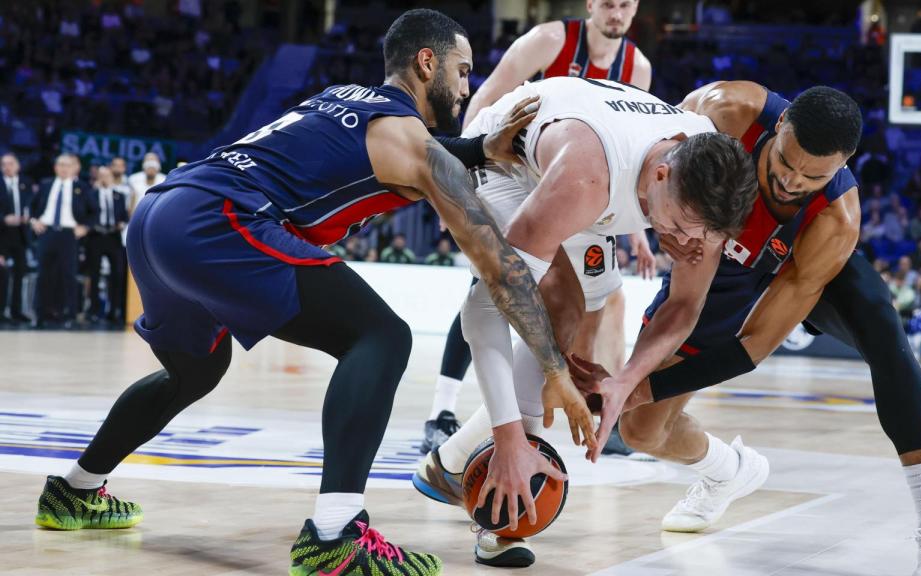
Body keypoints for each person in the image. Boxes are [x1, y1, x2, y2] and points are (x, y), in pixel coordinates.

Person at [32, 10, 595, 576]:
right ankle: (334, 534)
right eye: (463, 70)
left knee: (195, 371)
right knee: (380, 336)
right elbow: (500, 268)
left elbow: (411, 151)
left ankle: (75, 490)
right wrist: (554, 369)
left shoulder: (344, 98)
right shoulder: (411, 144)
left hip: (162, 214)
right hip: (219, 221)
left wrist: (477, 150)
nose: (468, 86)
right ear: (428, 64)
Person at [568, 82, 921, 575]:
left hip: (797, 260)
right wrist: (659, 228)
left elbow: (753, 346)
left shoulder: (836, 218)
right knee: (641, 432)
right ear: (779, 127)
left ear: (839, 167)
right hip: (720, 257)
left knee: (882, 328)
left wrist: (640, 387)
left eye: (812, 176)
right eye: (785, 163)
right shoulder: (726, 111)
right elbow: (648, 156)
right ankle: (728, 472)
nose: (792, 182)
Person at [413, 75, 758, 567]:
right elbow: (484, 311)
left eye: (699, 237)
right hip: (505, 161)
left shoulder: (707, 185)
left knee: (585, 318)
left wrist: (625, 380)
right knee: (560, 309)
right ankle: (506, 503)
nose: (685, 245)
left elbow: (683, 308)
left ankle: (451, 465)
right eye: (679, 228)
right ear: (660, 176)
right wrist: (510, 436)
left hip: (581, 162)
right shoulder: (587, 177)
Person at [421, 0, 657, 457]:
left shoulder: (637, 66)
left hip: (571, 179)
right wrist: (460, 176)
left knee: (599, 295)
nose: (616, 12)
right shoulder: (550, 40)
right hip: (510, 168)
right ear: (591, 5)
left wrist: (638, 233)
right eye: (608, 3)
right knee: (492, 284)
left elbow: (629, 148)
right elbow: (488, 95)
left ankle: (578, 406)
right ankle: (442, 413)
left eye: (625, 4)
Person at [30, 154, 94, 328]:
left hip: (69, 235)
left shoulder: (81, 187)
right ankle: (40, 314)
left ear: (74, 168)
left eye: (68, 165)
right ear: (55, 167)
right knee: (43, 275)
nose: (64, 168)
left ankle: (70, 315)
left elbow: (94, 211)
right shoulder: (46, 184)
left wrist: (85, 227)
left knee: (68, 275)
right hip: (47, 232)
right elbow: (32, 207)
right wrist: (34, 221)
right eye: (60, 164)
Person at [85, 166, 129, 323]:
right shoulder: (91, 194)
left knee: (117, 274)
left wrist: (122, 223)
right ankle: (93, 311)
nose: (104, 178)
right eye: (101, 175)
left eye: (107, 175)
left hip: (113, 236)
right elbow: (86, 214)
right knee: (94, 274)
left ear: (112, 177)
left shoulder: (119, 195)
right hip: (96, 236)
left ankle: (114, 310)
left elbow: (124, 215)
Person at [1, 153, 34, 323]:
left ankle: (16, 311)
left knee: (20, 273)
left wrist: (29, 218)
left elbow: (32, 205)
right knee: (2, 273)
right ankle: (1, 312)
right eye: (4, 164)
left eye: (11, 163)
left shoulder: (26, 183)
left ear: (18, 165)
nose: (7, 167)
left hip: (21, 235)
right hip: (2, 235)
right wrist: (4, 218)